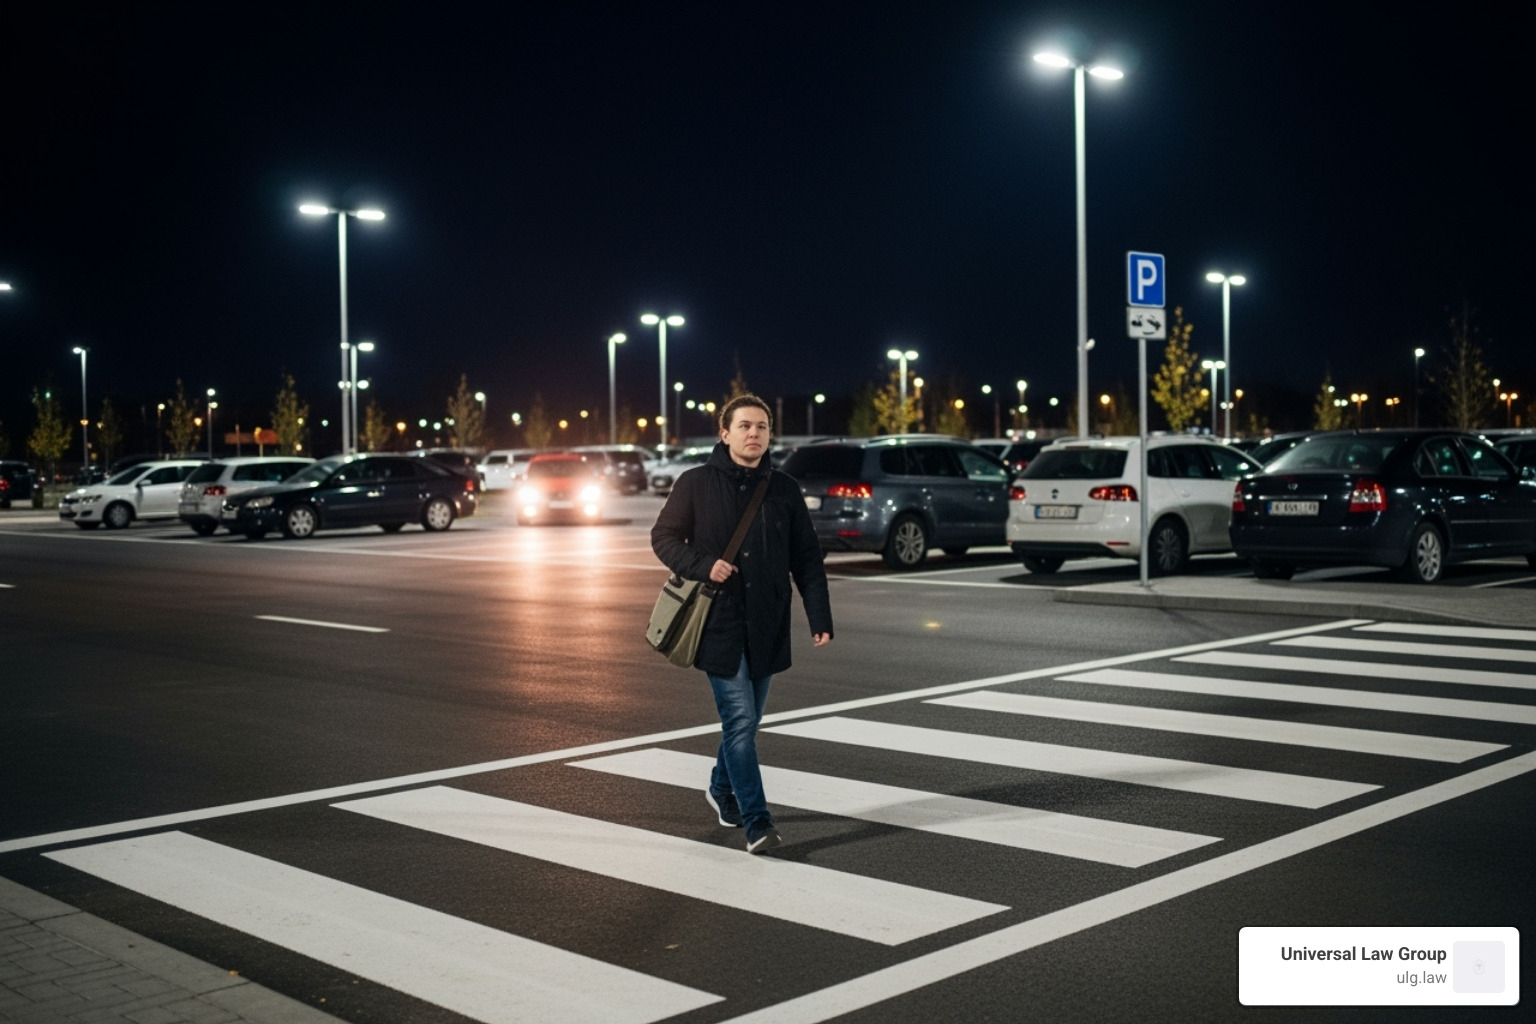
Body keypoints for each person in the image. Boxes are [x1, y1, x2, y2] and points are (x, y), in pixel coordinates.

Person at [651, 394, 833, 853]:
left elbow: (806, 558)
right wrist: (703, 564)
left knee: (744, 726)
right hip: (720, 622)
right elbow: (664, 538)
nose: (754, 434)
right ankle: (757, 822)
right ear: (725, 433)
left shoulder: (784, 489)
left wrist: (819, 616)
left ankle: (720, 787)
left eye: (762, 427)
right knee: (740, 719)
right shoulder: (695, 483)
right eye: (745, 426)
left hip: (769, 622)